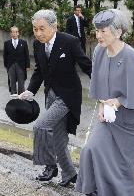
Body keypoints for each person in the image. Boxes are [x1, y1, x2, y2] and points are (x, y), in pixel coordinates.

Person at [76, 9, 134, 196]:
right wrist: (101, 105)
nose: (98, 36)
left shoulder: (131, 56)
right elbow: (97, 82)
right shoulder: (98, 51)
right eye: (96, 31)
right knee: (90, 150)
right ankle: (95, 190)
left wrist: (119, 101)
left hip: (130, 121)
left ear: (118, 32)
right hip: (108, 117)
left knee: (121, 166)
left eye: (103, 31)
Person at [19, 9, 92, 186]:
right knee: (59, 139)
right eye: (35, 29)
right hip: (50, 95)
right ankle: (70, 175)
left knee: (40, 126)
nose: (38, 33)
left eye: (42, 28)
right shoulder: (37, 45)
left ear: (54, 26)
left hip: (68, 97)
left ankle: (50, 166)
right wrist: (30, 91)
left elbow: (87, 66)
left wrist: (105, 88)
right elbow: (39, 71)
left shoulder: (70, 41)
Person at [3, 26, 30, 96]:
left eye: (16, 32)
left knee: (21, 83)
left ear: (18, 33)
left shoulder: (23, 43)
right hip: (11, 65)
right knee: (12, 83)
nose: (14, 33)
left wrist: (27, 65)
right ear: (10, 33)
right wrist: (6, 65)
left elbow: (26, 54)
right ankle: (13, 98)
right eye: (13, 32)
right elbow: (5, 55)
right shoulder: (7, 43)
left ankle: (21, 98)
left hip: (21, 65)